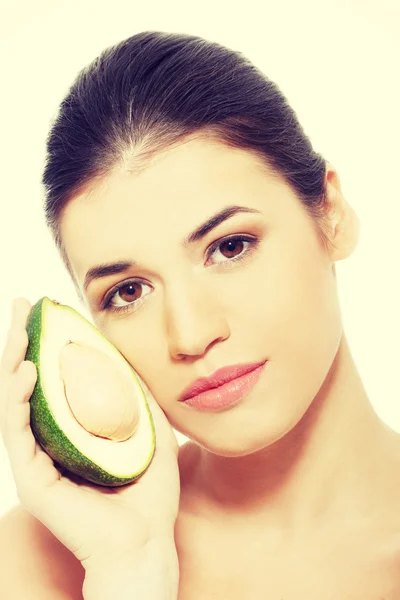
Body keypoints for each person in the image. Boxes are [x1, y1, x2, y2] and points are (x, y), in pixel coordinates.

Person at [1, 29, 400, 599]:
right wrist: (131, 571)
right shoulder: (39, 563)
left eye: (230, 247)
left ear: (331, 214)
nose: (190, 334)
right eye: (129, 292)